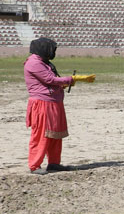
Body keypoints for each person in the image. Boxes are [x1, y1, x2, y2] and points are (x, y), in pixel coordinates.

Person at [23, 38, 95, 174]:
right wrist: (72, 79)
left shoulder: (44, 63)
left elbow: (51, 81)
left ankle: (54, 163)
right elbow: (49, 80)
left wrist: (66, 83)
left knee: (55, 134)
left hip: (53, 102)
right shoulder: (33, 63)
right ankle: (34, 165)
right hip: (42, 104)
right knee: (41, 135)